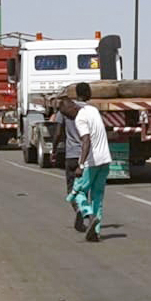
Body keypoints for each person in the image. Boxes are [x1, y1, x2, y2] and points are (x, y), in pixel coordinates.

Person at [64, 83, 112, 242]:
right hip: (105, 159)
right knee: (97, 196)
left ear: (73, 107)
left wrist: (81, 165)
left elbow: (86, 141)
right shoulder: (93, 110)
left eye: (67, 113)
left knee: (77, 192)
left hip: (92, 162)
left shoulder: (80, 118)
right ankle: (95, 232)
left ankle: (89, 215)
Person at [51, 96, 84, 198]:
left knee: (71, 188)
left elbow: (58, 133)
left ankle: (78, 206)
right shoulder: (85, 111)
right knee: (83, 187)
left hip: (72, 155)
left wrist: (54, 150)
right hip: (85, 155)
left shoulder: (62, 112)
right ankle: (83, 205)